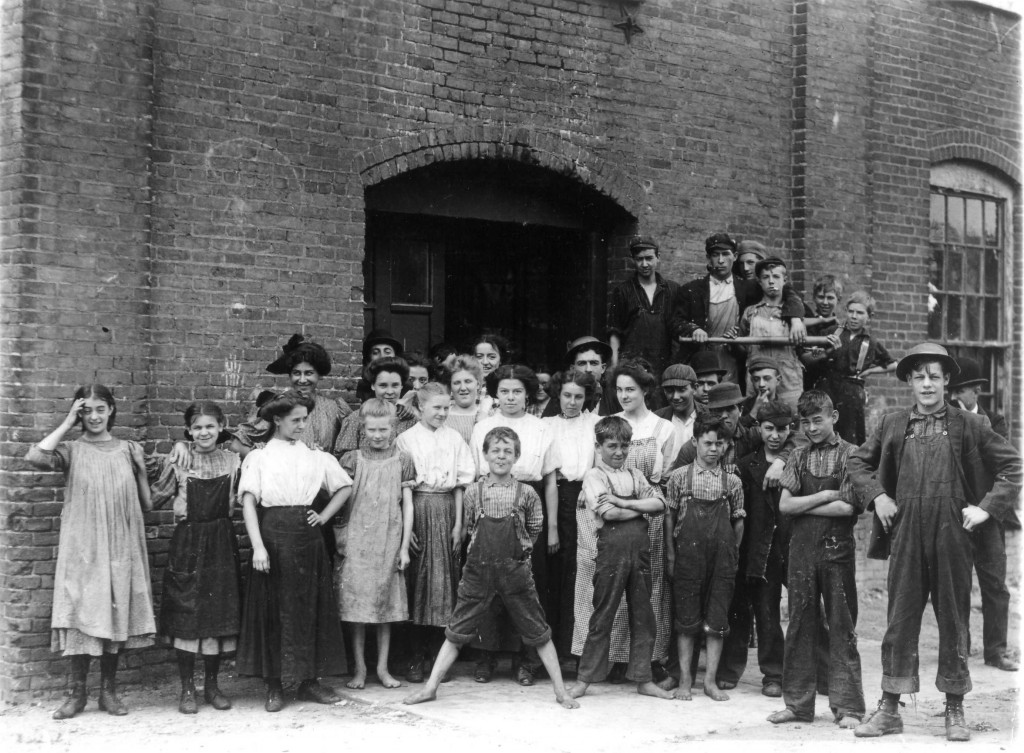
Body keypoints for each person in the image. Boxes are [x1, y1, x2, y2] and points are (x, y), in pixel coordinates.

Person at [849, 343, 1022, 742]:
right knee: (900, 618)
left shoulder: (970, 425)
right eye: (919, 375)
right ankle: (890, 708)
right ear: (909, 380)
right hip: (907, 531)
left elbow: (1013, 466)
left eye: (934, 376)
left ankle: (955, 710)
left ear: (947, 381)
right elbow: (858, 463)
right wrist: (878, 496)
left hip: (953, 535)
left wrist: (986, 508)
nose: (926, 383)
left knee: (953, 618)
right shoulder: (892, 423)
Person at [403, 427, 580, 710]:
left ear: (517, 456)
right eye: (495, 451)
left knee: (538, 631)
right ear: (484, 455)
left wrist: (516, 554)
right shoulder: (474, 492)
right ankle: (430, 688)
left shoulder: (527, 493)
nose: (501, 456)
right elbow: (472, 527)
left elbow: (534, 528)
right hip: (478, 572)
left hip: (516, 573)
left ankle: (561, 691)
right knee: (456, 630)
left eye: (507, 451)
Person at [27, 385, 155, 720]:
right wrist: (68, 420)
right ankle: (76, 694)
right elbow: (37, 456)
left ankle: (108, 692)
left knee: (114, 612)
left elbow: (146, 502)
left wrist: (141, 467)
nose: (94, 417)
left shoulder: (128, 449)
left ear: (112, 410)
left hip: (120, 545)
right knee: (78, 613)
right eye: (87, 411)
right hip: (82, 546)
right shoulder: (71, 449)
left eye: (101, 409)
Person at [236, 390, 352, 712]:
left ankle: (308, 682)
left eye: (305, 419)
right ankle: (274, 684)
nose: (302, 425)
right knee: (274, 611)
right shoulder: (259, 457)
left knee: (309, 607)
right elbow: (248, 503)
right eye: (295, 420)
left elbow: (344, 486)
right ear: (277, 420)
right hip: (273, 535)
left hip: (308, 537)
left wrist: (325, 516)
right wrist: (258, 546)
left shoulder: (315, 456)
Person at [767, 391, 865, 728]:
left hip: (837, 551)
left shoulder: (852, 454)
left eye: (817, 420)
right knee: (798, 625)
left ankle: (848, 707)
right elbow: (784, 506)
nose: (811, 427)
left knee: (841, 626)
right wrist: (824, 493)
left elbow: (848, 507)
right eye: (805, 422)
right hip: (801, 551)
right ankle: (797, 705)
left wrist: (804, 502)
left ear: (833, 416)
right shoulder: (796, 455)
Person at [568, 416, 673, 701]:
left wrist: (624, 502)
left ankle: (643, 679)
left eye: (624, 446)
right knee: (602, 616)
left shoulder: (636, 475)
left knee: (644, 615)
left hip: (639, 553)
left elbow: (660, 504)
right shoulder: (594, 476)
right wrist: (642, 508)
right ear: (598, 446)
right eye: (612, 446)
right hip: (610, 553)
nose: (619, 452)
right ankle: (584, 680)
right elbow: (609, 514)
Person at [470, 364, 560, 685]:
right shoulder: (483, 427)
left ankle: (528, 660)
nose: (510, 397)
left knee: (526, 587)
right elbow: (476, 477)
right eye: (505, 391)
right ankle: (487, 656)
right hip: (492, 501)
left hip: (528, 502)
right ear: (496, 394)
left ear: (527, 394)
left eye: (517, 391)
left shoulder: (541, 428)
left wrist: (551, 528)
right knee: (489, 584)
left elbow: (549, 480)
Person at [149, 401, 241, 714]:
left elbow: (261, 443)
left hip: (221, 543)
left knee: (217, 615)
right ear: (189, 430)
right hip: (188, 542)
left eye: (210, 426)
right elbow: (153, 497)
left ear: (221, 426)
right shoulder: (179, 460)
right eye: (197, 427)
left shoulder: (234, 460)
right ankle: (187, 688)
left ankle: (212, 686)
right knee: (186, 614)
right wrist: (173, 450)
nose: (204, 432)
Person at [395, 383, 476, 682]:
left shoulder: (454, 438)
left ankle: (438, 657)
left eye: (446, 408)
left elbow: (459, 485)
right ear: (420, 408)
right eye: (436, 408)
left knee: (445, 582)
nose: (442, 413)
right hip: (416, 509)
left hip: (446, 510)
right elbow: (402, 490)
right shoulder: (405, 440)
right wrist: (407, 528)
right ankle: (416, 656)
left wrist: (458, 524)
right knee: (418, 582)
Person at [335, 399, 416, 690]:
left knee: (385, 607)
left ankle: (382, 669)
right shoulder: (352, 459)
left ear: (394, 428)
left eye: (384, 429)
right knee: (356, 609)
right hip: (358, 539)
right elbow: (341, 498)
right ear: (363, 428)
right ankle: (359, 669)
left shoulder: (404, 460)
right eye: (372, 429)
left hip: (388, 539)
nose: (378, 435)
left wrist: (404, 546)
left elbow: (407, 506)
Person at [665, 413, 745, 701]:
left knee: (716, 619)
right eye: (708, 443)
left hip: (721, 559)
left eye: (719, 444)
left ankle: (709, 682)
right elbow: (669, 518)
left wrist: (731, 553)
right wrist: (671, 555)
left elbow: (738, 520)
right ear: (695, 442)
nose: (713, 449)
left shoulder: (732, 482)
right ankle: (686, 680)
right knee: (686, 620)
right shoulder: (679, 477)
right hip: (687, 557)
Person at [717, 400, 794, 696]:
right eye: (769, 429)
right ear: (759, 429)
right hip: (747, 545)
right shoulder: (746, 465)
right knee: (738, 611)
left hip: (777, 549)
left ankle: (774, 674)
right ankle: (730, 668)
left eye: (782, 429)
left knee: (768, 611)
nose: (775, 435)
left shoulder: (793, 462)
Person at [948, 356, 1016, 672]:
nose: (951, 397)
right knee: (957, 584)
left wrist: (985, 508)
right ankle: (959, 648)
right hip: (955, 516)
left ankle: (996, 650)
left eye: (958, 390)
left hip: (987, 516)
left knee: (994, 585)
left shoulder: (994, 423)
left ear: (974, 391)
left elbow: (1006, 466)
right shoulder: (944, 423)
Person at [673, 234, 806, 385]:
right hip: (702, 359)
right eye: (715, 255)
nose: (721, 260)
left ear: (734, 256)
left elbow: (787, 292)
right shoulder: (692, 289)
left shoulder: (749, 287)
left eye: (725, 255)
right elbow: (675, 321)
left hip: (733, 360)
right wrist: (693, 329)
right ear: (708, 258)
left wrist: (795, 319)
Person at [544, 368, 600, 659]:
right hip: (556, 497)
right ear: (558, 394)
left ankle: (576, 650)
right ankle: (553, 650)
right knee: (556, 572)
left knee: (582, 572)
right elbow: (550, 474)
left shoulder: (595, 423)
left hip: (586, 497)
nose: (572, 401)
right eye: (567, 395)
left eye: (579, 396)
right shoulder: (547, 425)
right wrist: (552, 525)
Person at [814, 291, 896, 445]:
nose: (854, 316)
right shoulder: (833, 332)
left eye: (859, 313)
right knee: (825, 430)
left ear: (869, 316)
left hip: (852, 390)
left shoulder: (870, 342)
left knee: (848, 435)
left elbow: (893, 364)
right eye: (851, 311)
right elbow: (814, 356)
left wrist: (871, 370)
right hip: (828, 387)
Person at [262, 334, 353, 453]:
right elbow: (239, 445)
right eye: (296, 373)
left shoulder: (335, 409)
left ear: (319, 375)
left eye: (309, 373)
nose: (302, 380)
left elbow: (350, 448)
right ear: (290, 375)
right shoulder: (277, 405)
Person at [607, 236, 679, 384]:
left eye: (649, 258)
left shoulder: (672, 290)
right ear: (633, 259)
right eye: (639, 259)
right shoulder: (623, 291)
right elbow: (615, 332)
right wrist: (614, 365)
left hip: (664, 365)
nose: (644, 264)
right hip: (631, 365)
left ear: (658, 257)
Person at [735, 256, 805, 408]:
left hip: (788, 381)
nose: (771, 281)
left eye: (776, 276)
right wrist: (734, 342)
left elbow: (802, 350)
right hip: (758, 381)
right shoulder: (750, 313)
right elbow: (742, 350)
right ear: (759, 282)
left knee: (791, 422)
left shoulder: (794, 315)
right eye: (766, 277)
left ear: (785, 280)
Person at [334, 357, 418, 455]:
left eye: (395, 385)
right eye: (383, 385)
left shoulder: (410, 419)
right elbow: (344, 458)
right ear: (373, 385)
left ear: (402, 386)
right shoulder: (356, 419)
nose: (390, 392)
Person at [799, 275, 844, 390]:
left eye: (830, 298)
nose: (825, 302)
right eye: (821, 297)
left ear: (838, 299)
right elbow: (803, 358)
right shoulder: (805, 327)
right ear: (814, 298)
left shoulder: (841, 329)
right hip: (807, 384)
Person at [654, 364, 703, 456]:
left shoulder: (709, 415)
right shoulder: (656, 419)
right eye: (670, 391)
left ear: (695, 388)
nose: (675, 397)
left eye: (682, 390)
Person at [564, 335, 619, 415]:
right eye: (582, 363)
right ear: (572, 369)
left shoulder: (615, 398)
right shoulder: (561, 399)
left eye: (594, 363)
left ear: (603, 368)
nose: (588, 369)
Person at [446, 354, 488, 445]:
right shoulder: (442, 416)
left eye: (468, 381)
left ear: (478, 384)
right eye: (457, 383)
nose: (463, 387)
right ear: (451, 387)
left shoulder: (488, 416)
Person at [355, 329, 404, 402]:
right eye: (375, 352)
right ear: (369, 358)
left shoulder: (407, 385)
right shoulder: (362, 386)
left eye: (387, 352)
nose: (382, 356)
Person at [473, 334, 512, 415]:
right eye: (479, 357)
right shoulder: (464, 386)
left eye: (491, 357)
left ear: (501, 359)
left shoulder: (509, 387)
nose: (485, 362)